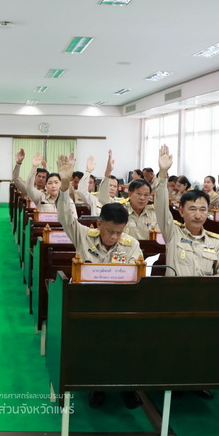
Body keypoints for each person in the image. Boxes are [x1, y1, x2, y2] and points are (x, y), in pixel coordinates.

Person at [55, 153, 144, 409]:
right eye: (109, 231)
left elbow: (139, 275)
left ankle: (127, 387)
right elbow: (65, 217)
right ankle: (96, 386)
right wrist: (64, 186)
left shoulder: (132, 245)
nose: (114, 237)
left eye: (119, 232)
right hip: (89, 306)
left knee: (126, 344)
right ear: (98, 224)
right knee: (94, 345)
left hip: (121, 306)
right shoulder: (84, 235)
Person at [155, 145, 219, 277]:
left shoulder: (215, 242)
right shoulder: (172, 233)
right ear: (181, 211)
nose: (198, 215)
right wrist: (163, 173)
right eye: (192, 209)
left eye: (203, 210)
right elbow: (161, 206)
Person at [96, 150, 159, 240]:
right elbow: (103, 199)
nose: (142, 198)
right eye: (138, 194)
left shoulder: (154, 213)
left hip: (149, 251)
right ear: (130, 193)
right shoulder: (121, 209)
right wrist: (107, 173)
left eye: (146, 195)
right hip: (124, 252)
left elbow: (160, 238)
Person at [24, 151, 77, 220]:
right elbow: (29, 187)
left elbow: (74, 220)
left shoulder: (68, 201)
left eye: (56, 182)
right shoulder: (40, 197)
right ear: (46, 185)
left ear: (61, 184)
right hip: (44, 229)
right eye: (50, 183)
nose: (53, 186)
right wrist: (34, 167)